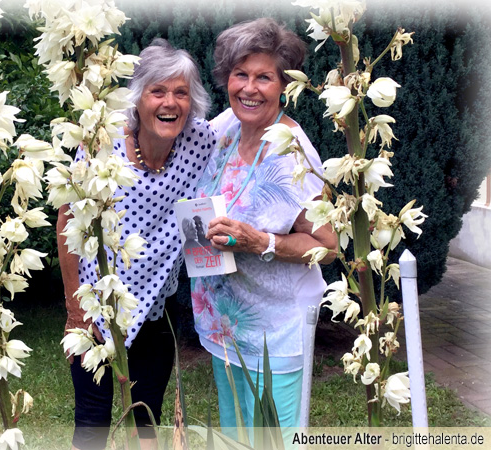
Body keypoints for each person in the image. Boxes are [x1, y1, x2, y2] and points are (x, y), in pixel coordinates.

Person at [57, 39, 216, 450]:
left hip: (156, 313)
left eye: (181, 92)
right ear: (138, 98)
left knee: (146, 423)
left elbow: (249, 115)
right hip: (98, 308)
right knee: (90, 423)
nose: (171, 102)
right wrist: (76, 312)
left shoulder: (200, 142)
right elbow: (67, 219)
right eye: (158, 91)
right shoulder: (102, 143)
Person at [190, 18, 338, 443]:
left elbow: (327, 247)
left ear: (283, 86)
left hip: (276, 330)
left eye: (264, 78)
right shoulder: (225, 129)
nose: (249, 88)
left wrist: (259, 242)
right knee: (237, 434)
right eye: (240, 74)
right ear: (226, 79)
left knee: (275, 439)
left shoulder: (292, 154)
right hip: (225, 323)